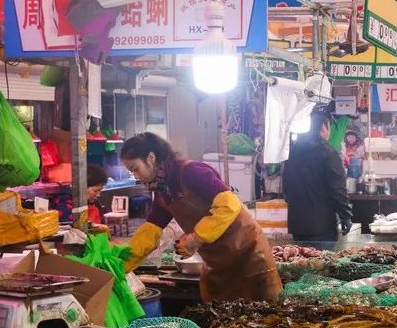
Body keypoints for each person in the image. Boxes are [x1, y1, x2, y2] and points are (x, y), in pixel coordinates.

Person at [121, 132, 282, 301]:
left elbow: (229, 205)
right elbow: (150, 231)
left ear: (151, 158)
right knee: (218, 315)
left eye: (135, 169)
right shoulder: (162, 190)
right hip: (217, 262)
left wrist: (196, 238)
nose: (136, 176)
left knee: (264, 311)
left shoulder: (191, 171)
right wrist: (121, 265)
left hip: (249, 255)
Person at [283, 112, 352, 244]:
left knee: (302, 262)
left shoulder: (292, 152)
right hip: (322, 227)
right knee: (322, 263)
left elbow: (286, 188)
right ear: (323, 128)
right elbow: (337, 189)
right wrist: (346, 216)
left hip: (298, 226)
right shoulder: (328, 153)